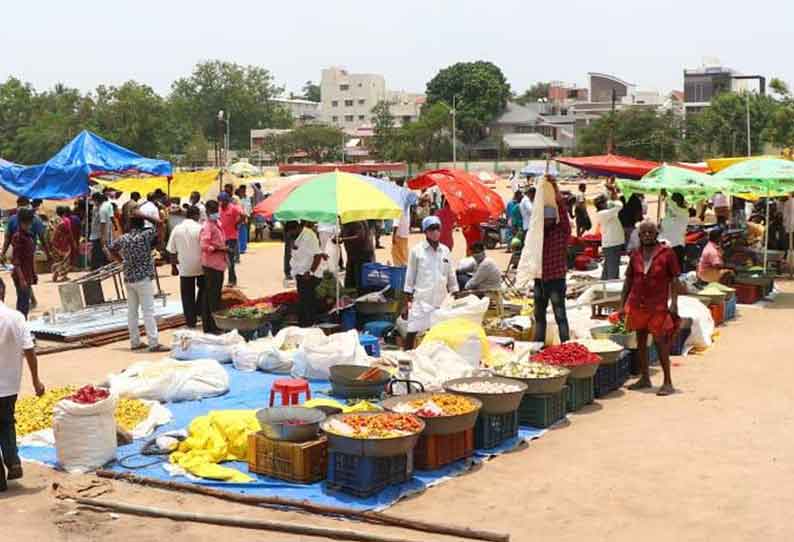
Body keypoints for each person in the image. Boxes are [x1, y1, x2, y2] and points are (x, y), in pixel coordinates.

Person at [620, 221, 680, 396]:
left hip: (658, 305)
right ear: (639, 236)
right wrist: (623, 304)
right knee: (640, 341)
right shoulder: (635, 255)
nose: (647, 235)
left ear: (656, 234)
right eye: (643, 233)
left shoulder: (667, 253)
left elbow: (675, 279)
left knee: (661, 342)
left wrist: (674, 303)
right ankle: (645, 378)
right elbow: (628, 280)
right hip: (637, 303)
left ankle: (668, 382)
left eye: (650, 232)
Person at [0, 276, 44, 487]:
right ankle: (13, 461)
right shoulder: (16, 317)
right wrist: (36, 381)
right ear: (3, 293)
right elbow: (29, 350)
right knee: (7, 422)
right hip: (9, 385)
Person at [108, 211, 167, 352]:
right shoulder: (145, 236)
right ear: (142, 224)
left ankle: (135, 342)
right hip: (144, 278)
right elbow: (160, 223)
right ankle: (153, 343)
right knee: (148, 311)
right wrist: (145, 215)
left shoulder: (124, 238)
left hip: (129, 277)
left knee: (132, 312)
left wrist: (121, 261)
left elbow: (110, 248)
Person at [403, 216, 459, 350]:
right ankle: (407, 356)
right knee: (412, 330)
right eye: (431, 229)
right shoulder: (417, 251)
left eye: (437, 228)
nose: (435, 232)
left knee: (440, 333)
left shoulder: (445, 250)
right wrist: (407, 299)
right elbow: (410, 275)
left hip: (441, 300)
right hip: (422, 300)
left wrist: (455, 292)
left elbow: (451, 274)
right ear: (425, 231)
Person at [532, 179, 572, 345]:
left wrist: (554, 187)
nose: (546, 222)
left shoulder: (561, 231)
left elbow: (562, 209)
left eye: (548, 219)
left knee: (560, 315)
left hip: (556, 280)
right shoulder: (538, 234)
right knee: (539, 317)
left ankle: (566, 346)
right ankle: (538, 347)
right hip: (540, 280)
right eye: (544, 220)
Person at [167, 206, 205, 328]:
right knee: (203, 290)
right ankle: (199, 311)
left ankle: (190, 320)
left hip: (185, 267)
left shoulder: (177, 229)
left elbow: (172, 251)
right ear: (196, 215)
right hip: (201, 266)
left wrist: (174, 267)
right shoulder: (200, 228)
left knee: (187, 294)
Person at [200, 201, 227, 334]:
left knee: (214, 295)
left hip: (219, 264)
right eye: (212, 211)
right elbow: (204, 245)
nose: (215, 213)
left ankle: (213, 324)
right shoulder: (207, 226)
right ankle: (211, 326)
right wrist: (218, 249)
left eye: (216, 210)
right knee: (212, 297)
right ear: (207, 212)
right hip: (211, 264)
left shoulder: (218, 224)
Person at [290, 221, 325, 327]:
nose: (290, 234)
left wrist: (310, 272)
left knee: (309, 302)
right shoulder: (298, 236)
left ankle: (310, 324)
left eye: (291, 232)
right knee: (303, 301)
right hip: (300, 273)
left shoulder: (309, 236)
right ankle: (304, 324)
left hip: (309, 275)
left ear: (297, 228)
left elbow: (317, 255)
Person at [10, 209, 37, 318]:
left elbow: (31, 257)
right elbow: (16, 260)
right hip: (20, 275)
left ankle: (22, 326)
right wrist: (22, 279)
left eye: (29, 223)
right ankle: (20, 327)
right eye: (25, 223)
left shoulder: (29, 236)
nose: (28, 225)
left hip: (27, 273)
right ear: (20, 222)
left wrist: (33, 274)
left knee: (25, 303)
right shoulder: (18, 237)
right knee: (22, 305)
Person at [594, 187, 624, 280]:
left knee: (608, 270)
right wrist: (613, 194)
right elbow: (619, 205)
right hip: (612, 245)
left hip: (612, 244)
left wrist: (612, 193)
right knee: (613, 271)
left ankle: (603, 287)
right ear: (602, 204)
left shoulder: (607, 213)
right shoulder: (604, 213)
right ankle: (611, 290)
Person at [218, 192, 243, 286]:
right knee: (222, 260)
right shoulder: (219, 209)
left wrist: (237, 224)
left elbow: (243, 215)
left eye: (223, 201)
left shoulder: (233, 208)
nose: (221, 203)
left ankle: (232, 280)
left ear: (227, 201)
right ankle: (229, 279)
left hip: (231, 237)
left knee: (230, 259)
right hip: (222, 237)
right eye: (220, 201)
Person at [340, 220, 374, 289]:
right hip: (352, 255)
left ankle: (359, 294)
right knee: (350, 278)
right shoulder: (346, 223)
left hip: (362, 254)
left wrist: (343, 239)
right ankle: (351, 292)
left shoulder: (358, 222)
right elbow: (342, 233)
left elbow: (360, 236)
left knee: (359, 278)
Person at [660, 192, 689, 271]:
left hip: (676, 246)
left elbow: (673, 206)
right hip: (665, 245)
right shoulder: (671, 212)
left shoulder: (683, 212)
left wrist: (666, 196)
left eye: (674, 200)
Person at [50, 206, 74, 282]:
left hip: (55, 242)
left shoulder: (53, 220)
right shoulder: (66, 220)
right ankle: (63, 275)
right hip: (64, 243)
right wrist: (72, 242)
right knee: (66, 259)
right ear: (64, 213)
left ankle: (56, 270)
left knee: (58, 259)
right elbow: (69, 232)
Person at [235, 185, 252, 255]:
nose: (243, 191)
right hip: (238, 218)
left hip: (245, 218)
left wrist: (248, 216)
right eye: (242, 190)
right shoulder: (236, 199)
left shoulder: (247, 198)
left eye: (244, 190)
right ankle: (238, 248)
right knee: (237, 233)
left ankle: (242, 248)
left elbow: (249, 208)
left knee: (243, 233)